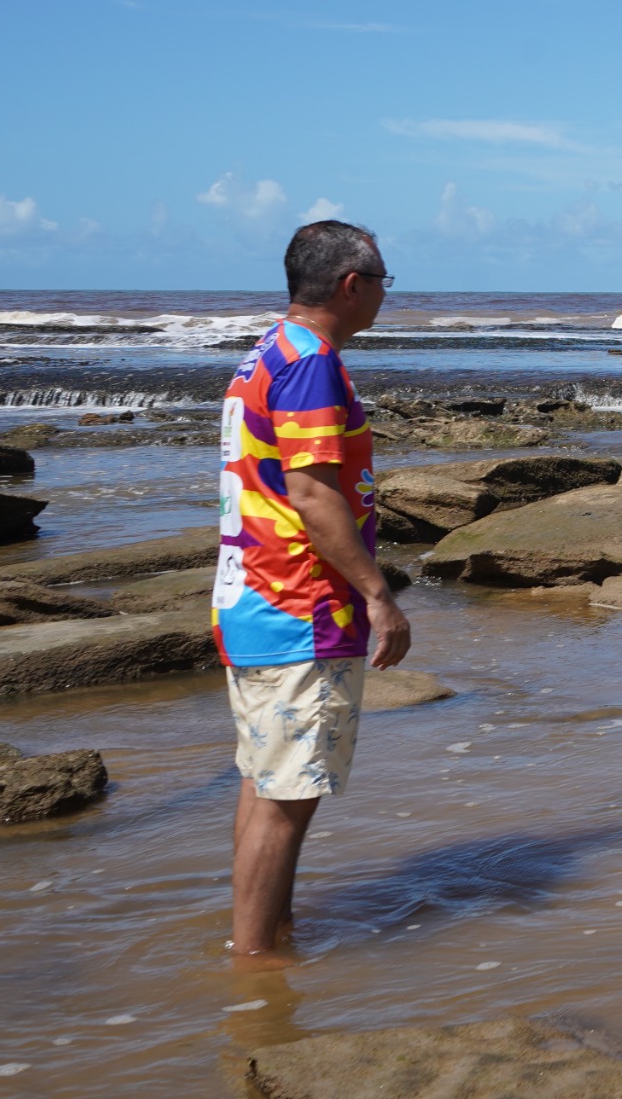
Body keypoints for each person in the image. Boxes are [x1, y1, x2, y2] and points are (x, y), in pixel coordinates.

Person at [218, 220, 410, 959]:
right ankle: (257, 968)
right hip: (299, 604)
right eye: (384, 281)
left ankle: (265, 938)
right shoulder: (309, 364)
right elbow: (312, 492)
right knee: (285, 801)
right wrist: (377, 595)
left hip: (255, 601)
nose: (387, 296)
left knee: (264, 785)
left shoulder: (266, 353)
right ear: (351, 285)